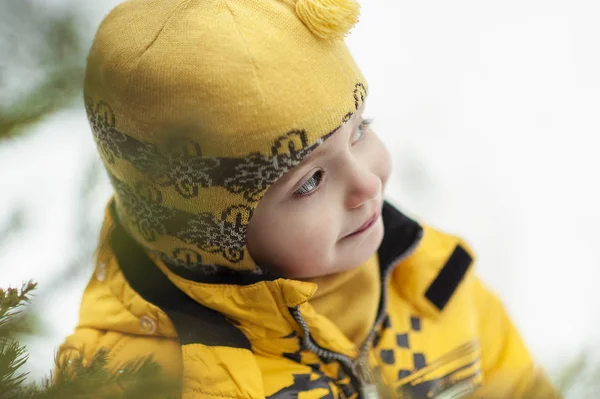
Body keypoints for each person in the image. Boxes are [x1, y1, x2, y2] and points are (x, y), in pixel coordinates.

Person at [57, 0, 561, 398]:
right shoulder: (138, 380)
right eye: (310, 182)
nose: (367, 185)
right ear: (213, 235)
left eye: (359, 131)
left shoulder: (428, 281)